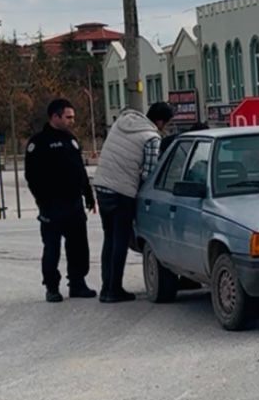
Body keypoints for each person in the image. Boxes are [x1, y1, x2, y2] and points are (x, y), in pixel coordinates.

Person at [94, 101, 174, 303]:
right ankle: (114, 290)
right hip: (122, 192)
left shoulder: (122, 122)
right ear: (160, 121)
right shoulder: (151, 137)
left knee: (109, 238)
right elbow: (149, 174)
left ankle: (106, 288)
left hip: (102, 187)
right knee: (120, 240)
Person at [24, 98, 97, 303]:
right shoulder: (38, 143)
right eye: (68, 117)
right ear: (55, 117)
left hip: (74, 204)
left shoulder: (71, 140)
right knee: (52, 248)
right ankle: (52, 287)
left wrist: (88, 195)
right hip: (52, 206)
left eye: (73, 117)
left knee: (78, 246)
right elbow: (32, 177)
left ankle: (77, 283)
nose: (72, 121)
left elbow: (80, 171)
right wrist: (42, 201)